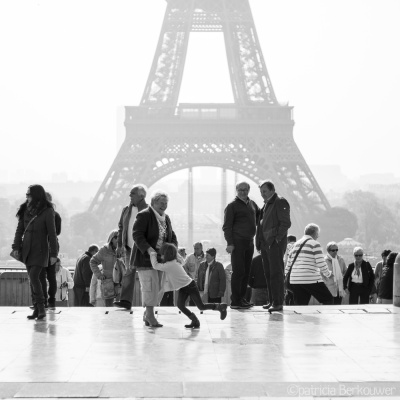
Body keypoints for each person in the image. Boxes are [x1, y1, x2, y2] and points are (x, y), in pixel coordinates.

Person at [150, 243, 227, 328]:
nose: (161, 257)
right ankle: (195, 321)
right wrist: (175, 252)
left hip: (190, 286)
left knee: (201, 306)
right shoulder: (176, 261)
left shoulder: (169, 265)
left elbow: (155, 265)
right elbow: (182, 261)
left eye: (162, 254)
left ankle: (220, 307)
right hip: (184, 287)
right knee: (180, 305)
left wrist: (152, 253)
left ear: (167, 255)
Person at [131, 190, 178, 327]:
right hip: (146, 258)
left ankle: (148, 314)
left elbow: (172, 235)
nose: (164, 205)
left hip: (161, 259)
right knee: (149, 286)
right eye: (161, 203)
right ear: (153, 203)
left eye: (166, 203)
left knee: (159, 287)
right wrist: (149, 249)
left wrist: (172, 249)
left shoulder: (166, 218)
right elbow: (137, 234)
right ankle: (150, 316)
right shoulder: (144, 215)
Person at [12, 184, 58, 320]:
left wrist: (54, 254)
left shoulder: (48, 211)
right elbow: (19, 229)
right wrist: (15, 247)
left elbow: (52, 233)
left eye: (29, 195)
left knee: (33, 277)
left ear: (36, 195)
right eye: (26, 195)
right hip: (27, 250)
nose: (27, 197)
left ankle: (41, 307)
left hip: (41, 250)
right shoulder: (25, 209)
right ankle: (37, 309)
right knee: (32, 280)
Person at [222, 181, 260, 309]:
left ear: (249, 190)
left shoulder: (252, 204)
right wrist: (230, 243)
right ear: (236, 190)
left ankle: (242, 299)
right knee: (238, 272)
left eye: (245, 189)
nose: (243, 192)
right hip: (237, 242)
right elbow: (227, 227)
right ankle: (235, 301)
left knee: (246, 272)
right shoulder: (232, 206)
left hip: (249, 242)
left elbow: (261, 216)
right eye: (240, 190)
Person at [257, 180, 291, 312]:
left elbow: (286, 223)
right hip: (266, 244)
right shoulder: (267, 204)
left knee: (276, 274)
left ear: (272, 190)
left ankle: (277, 302)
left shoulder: (280, 202)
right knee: (269, 273)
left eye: (264, 191)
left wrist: (276, 240)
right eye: (261, 192)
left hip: (274, 244)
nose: (262, 194)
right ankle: (272, 300)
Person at [114, 184, 148, 310]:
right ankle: (125, 301)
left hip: (142, 249)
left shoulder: (148, 210)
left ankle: (149, 303)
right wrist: (119, 245)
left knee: (146, 277)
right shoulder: (126, 210)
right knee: (128, 274)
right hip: (129, 248)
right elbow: (121, 228)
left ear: (141, 196)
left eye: (132, 193)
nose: (130, 195)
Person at [285, 223, 333, 307]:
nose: (318, 236)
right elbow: (321, 263)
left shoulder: (295, 245)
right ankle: (323, 319)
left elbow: (288, 264)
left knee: (300, 306)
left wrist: (285, 276)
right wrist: (328, 274)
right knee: (328, 299)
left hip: (295, 280)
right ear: (315, 233)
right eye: (318, 234)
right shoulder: (315, 244)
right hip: (310, 279)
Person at [38, 192, 62, 310]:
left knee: (41, 276)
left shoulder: (39, 214)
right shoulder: (56, 215)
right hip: (53, 247)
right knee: (51, 276)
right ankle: (51, 300)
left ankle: (42, 302)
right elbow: (57, 232)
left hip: (42, 247)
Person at [90, 229, 119, 307]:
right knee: (108, 307)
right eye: (116, 237)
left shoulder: (122, 250)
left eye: (120, 237)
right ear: (111, 239)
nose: (118, 239)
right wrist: (99, 275)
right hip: (108, 282)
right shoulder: (104, 250)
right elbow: (93, 262)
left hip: (120, 282)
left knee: (120, 309)